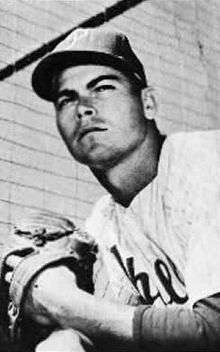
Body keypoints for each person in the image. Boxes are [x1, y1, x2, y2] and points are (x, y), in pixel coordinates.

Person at [5, 27, 220, 351]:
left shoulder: (205, 158)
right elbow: (107, 331)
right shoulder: (104, 223)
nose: (83, 108)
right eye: (67, 98)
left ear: (148, 102)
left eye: (102, 87)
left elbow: (213, 331)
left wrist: (62, 300)